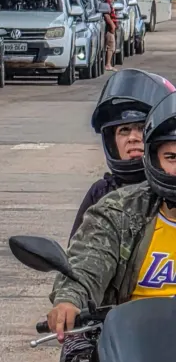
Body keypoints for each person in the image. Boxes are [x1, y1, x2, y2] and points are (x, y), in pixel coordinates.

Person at [47, 90, 176, 362]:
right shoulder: (120, 210)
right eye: (172, 157)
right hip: (129, 355)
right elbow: (87, 262)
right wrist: (69, 300)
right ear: (153, 158)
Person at [71, 69, 175, 238]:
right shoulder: (101, 193)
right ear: (112, 141)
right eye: (124, 130)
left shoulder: (170, 192)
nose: (133, 138)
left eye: (142, 128)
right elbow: (78, 251)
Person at [103, 0, 118, 73]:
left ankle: (109, 64)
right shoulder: (106, 5)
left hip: (110, 29)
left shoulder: (109, 5)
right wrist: (112, 26)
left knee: (111, 47)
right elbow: (107, 16)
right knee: (110, 46)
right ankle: (108, 64)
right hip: (109, 30)